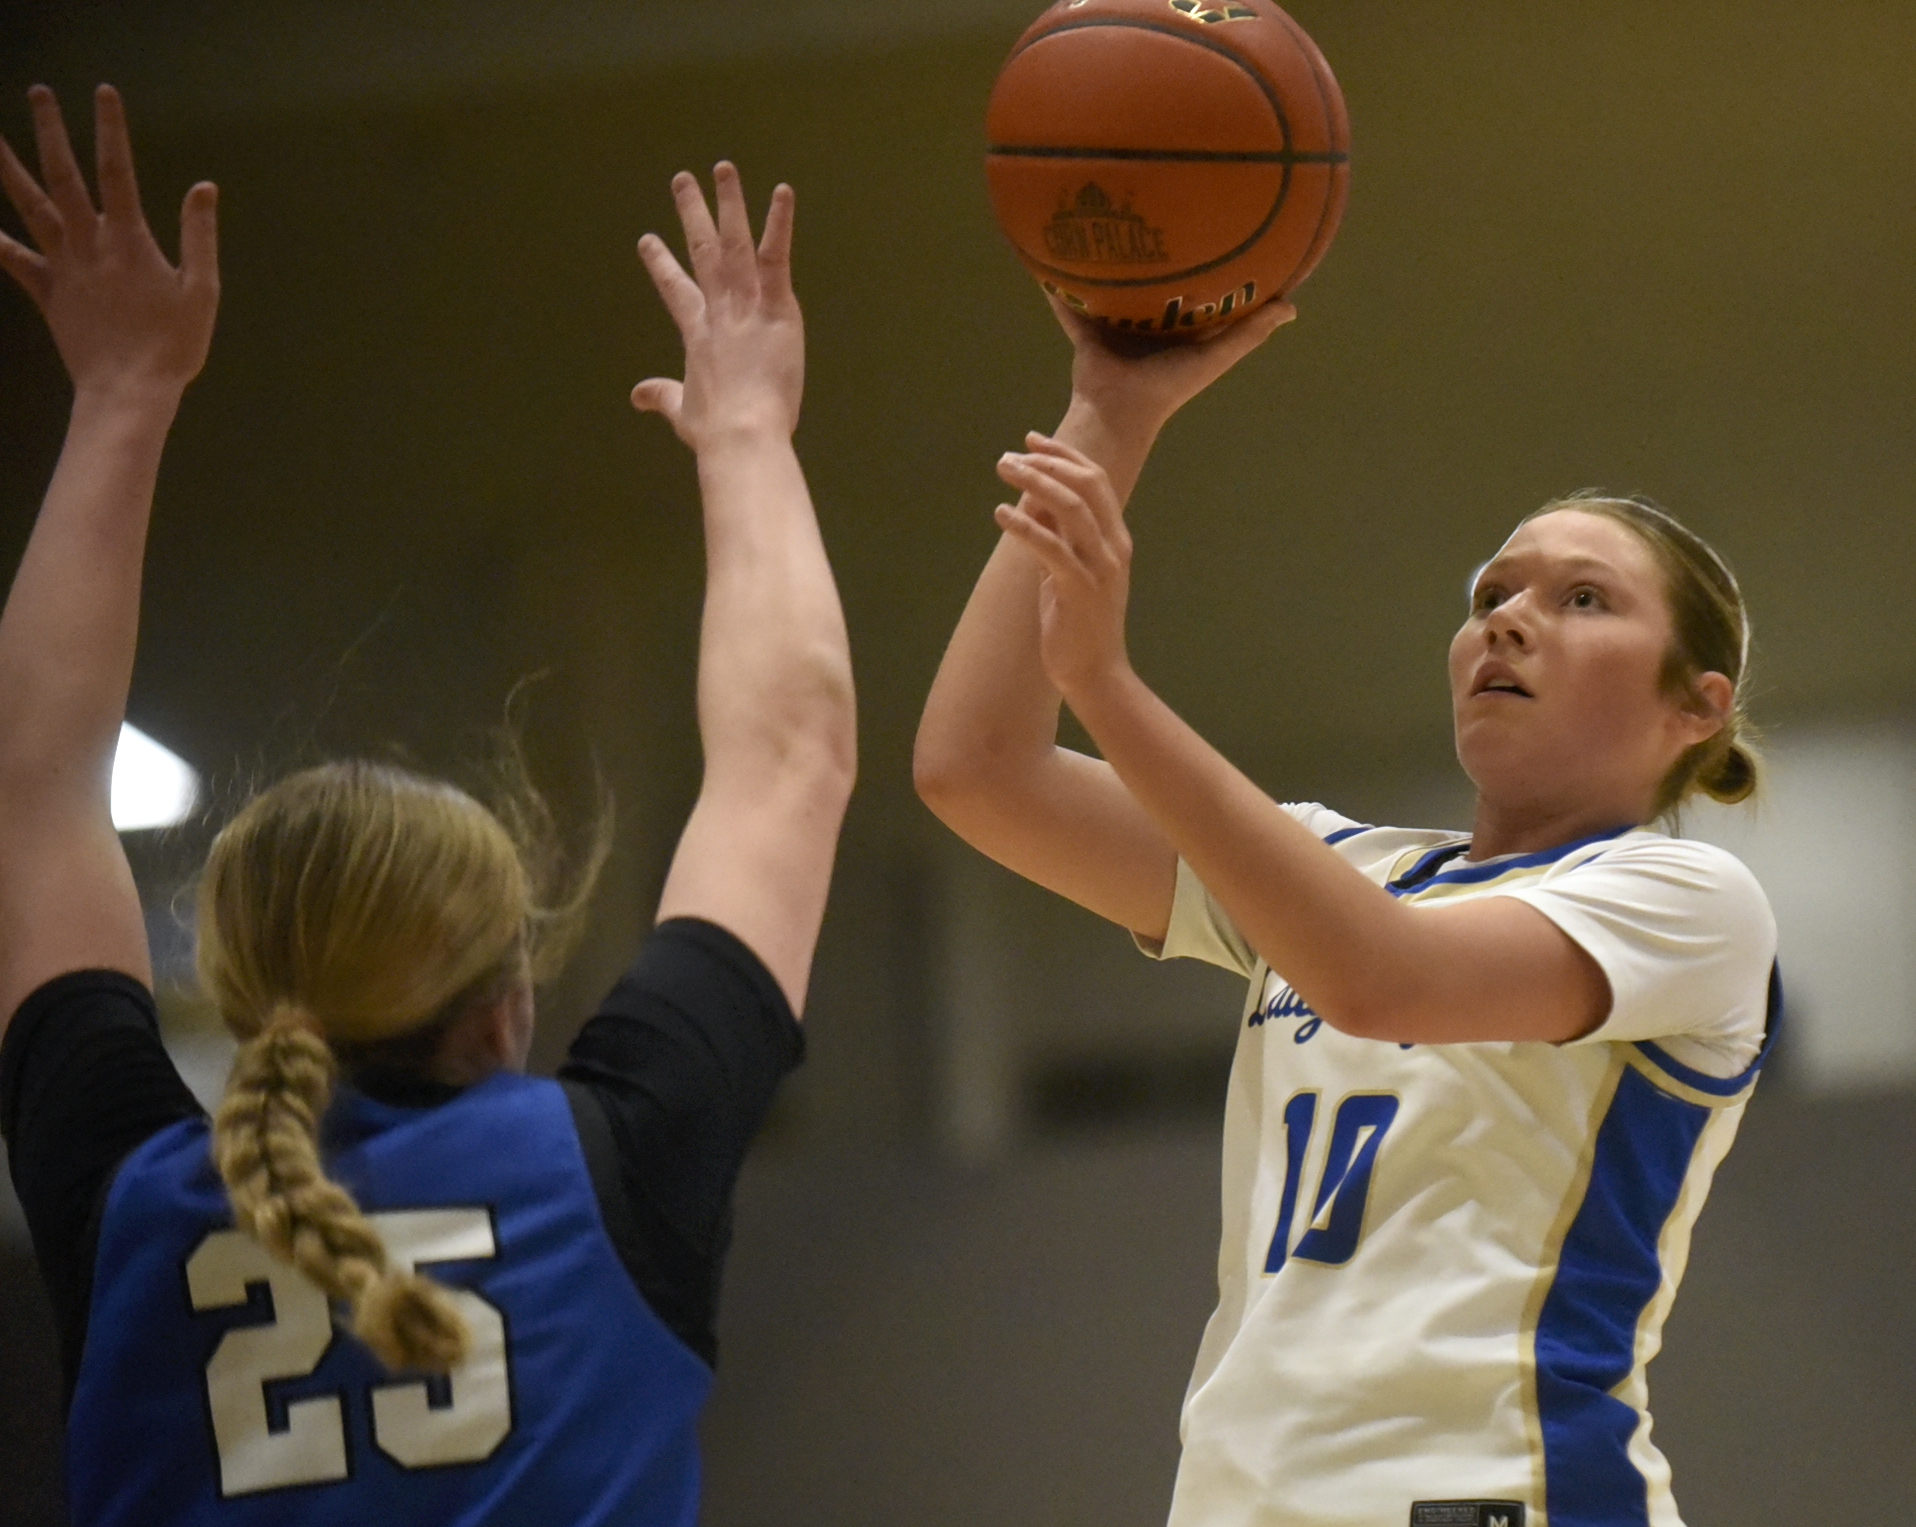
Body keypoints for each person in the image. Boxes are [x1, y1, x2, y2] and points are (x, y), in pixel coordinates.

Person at [0, 84, 854, 1527]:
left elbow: (30, 786)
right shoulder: (608, 1166)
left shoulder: (126, 1201)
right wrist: (751, 434)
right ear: (506, 1001)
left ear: (238, 983)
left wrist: (119, 396)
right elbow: (790, 756)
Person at [914, 293, 1777, 1526]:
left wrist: (1101, 683)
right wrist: (1108, 413)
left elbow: (1382, 982)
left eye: (1582, 599)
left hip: (1496, 1497)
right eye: (1491, 592)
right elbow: (977, 771)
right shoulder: (1336, 869)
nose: (1506, 617)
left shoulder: (1687, 898)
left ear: (1696, 705)